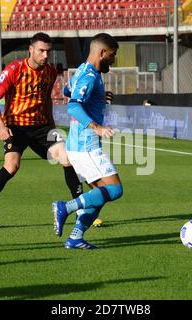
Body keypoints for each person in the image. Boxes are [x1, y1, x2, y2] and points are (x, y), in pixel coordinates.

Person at [0, 32, 83, 232]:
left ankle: (81, 208)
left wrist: (52, 125)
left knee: (68, 158)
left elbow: (46, 99)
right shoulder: (14, 69)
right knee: (11, 166)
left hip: (42, 127)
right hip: (16, 126)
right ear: (31, 49)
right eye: (41, 50)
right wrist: (1, 127)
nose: (46, 55)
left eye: (48, 51)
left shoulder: (50, 72)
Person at [52, 33, 123, 250]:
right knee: (115, 190)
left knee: (98, 196)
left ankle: (75, 237)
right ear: (102, 53)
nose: (113, 60)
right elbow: (73, 106)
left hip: (77, 145)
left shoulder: (83, 70)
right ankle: (66, 207)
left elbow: (67, 90)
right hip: (86, 145)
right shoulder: (90, 76)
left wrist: (97, 97)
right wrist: (97, 127)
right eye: (112, 55)